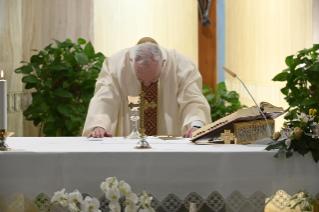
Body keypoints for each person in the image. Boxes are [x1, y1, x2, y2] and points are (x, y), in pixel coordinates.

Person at [83, 37, 211, 138]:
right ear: (132, 62)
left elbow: (193, 100)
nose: (147, 85)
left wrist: (196, 124)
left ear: (163, 64)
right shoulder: (115, 65)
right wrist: (99, 125)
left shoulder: (182, 65)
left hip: (168, 145)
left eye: (154, 80)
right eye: (140, 80)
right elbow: (104, 100)